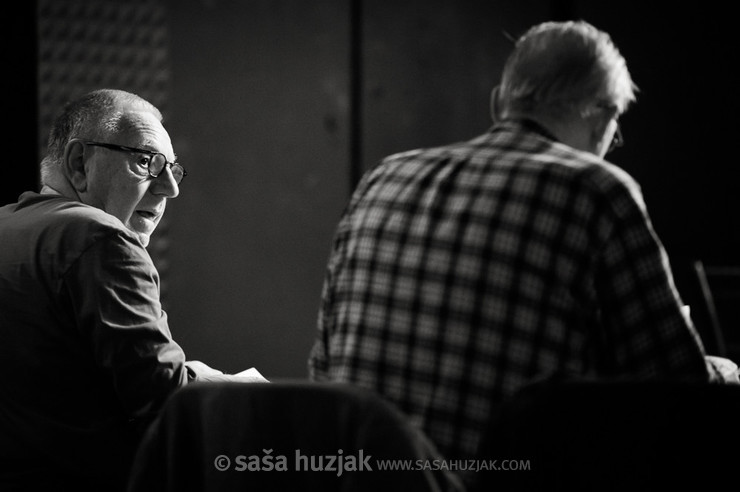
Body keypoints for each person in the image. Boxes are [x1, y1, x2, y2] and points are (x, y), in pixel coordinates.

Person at [308, 20, 738, 488]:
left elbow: (324, 373)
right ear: (601, 115)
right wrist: (724, 371)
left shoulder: (381, 179)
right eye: (614, 129)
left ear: (499, 103)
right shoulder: (596, 190)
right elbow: (679, 390)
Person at [0, 89, 264, 492]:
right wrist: (227, 390)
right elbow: (165, 404)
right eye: (145, 162)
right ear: (78, 164)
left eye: (172, 169)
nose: (169, 189)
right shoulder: (100, 237)